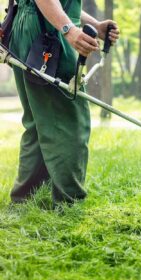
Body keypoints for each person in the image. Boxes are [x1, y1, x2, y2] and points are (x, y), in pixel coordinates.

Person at [9, 0, 119, 206]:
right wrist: (69, 30)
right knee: (69, 121)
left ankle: (26, 199)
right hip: (47, 33)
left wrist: (94, 24)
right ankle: (69, 202)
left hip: (32, 28)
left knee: (39, 120)